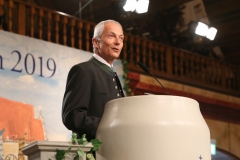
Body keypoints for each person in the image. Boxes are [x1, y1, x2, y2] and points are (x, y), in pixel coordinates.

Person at [62, 20, 125, 140]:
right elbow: (72, 116)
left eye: (121, 38)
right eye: (111, 36)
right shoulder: (83, 70)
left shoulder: (112, 74)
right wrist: (109, 126)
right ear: (96, 42)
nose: (118, 42)